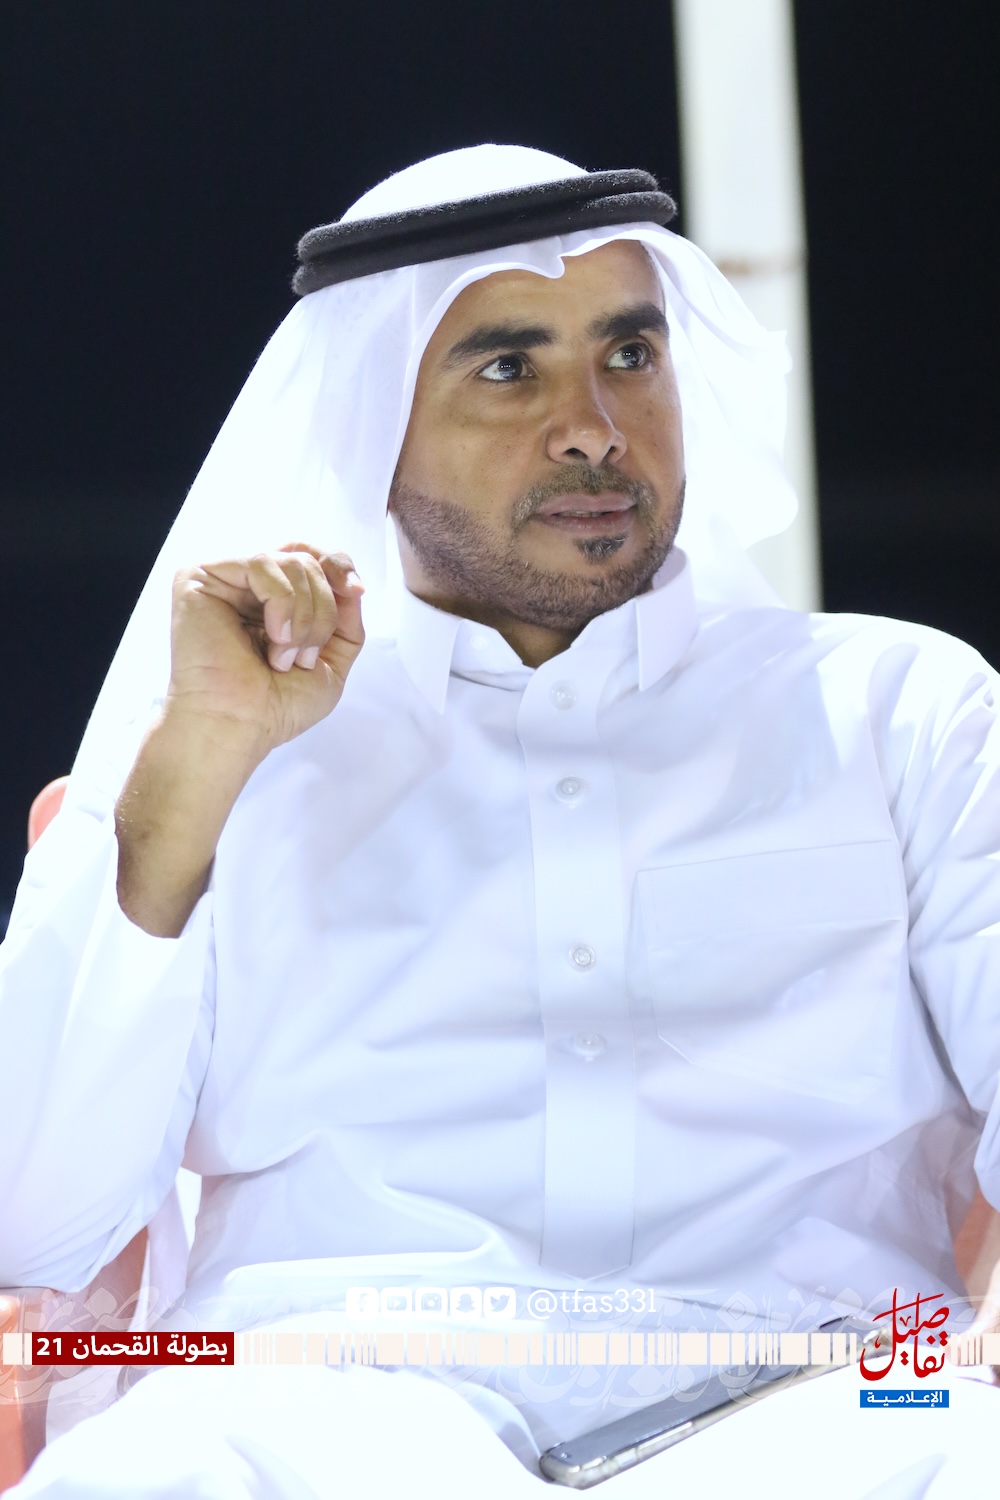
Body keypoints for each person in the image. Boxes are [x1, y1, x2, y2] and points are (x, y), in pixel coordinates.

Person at [2, 144, 1000, 1498]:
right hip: (323, 1408)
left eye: (630, 356)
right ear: (371, 427)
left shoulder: (900, 711)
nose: (593, 425)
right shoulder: (215, 750)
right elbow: (34, 1228)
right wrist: (200, 766)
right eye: (509, 369)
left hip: (825, 1402)